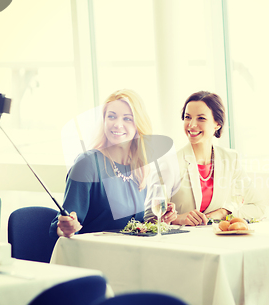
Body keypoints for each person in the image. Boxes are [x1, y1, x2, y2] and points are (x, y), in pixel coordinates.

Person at [50, 89, 177, 238]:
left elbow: (133, 226)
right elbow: (62, 227)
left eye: (127, 119)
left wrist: (158, 219)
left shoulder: (139, 167)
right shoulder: (87, 164)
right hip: (94, 254)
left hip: (130, 252)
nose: (117, 124)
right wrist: (67, 227)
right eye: (112, 116)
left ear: (138, 125)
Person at [145, 91, 266, 226]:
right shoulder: (169, 163)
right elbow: (150, 216)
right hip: (181, 242)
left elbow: (258, 207)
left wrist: (224, 212)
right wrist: (178, 219)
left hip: (218, 241)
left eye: (201, 118)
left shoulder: (231, 159)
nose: (191, 124)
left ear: (218, 124)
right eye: (187, 117)